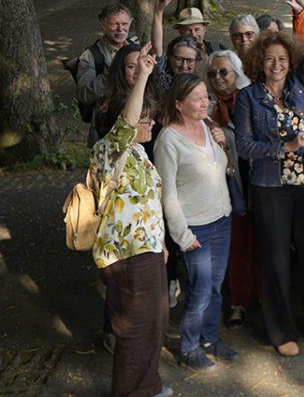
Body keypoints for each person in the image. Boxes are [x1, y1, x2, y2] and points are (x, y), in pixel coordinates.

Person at [233, 24, 304, 357]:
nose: (276, 65)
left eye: (283, 58)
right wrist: (283, 147)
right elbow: (243, 145)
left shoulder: (301, 86)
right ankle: (281, 331)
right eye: (270, 58)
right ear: (260, 61)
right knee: (275, 261)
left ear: (291, 61)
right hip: (270, 187)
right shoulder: (247, 97)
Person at [90, 43, 171, 396]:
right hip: (126, 256)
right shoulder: (111, 149)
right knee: (136, 328)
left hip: (148, 251)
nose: (150, 123)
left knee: (155, 323)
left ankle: (148, 386)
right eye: (144, 119)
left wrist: (162, 243)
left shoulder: (138, 151)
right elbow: (126, 122)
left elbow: (149, 202)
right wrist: (143, 77)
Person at [154, 73, 238, 372]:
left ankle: (208, 338)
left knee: (215, 287)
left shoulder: (207, 125)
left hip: (221, 218)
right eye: (199, 99)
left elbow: (220, 169)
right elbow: (167, 193)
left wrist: (222, 142)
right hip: (195, 227)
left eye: (207, 97)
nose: (207, 103)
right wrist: (182, 235)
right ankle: (188, 347)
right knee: (199, 290)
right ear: (178, 104)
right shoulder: (168, 141)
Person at [204, 51, 258, 328]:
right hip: (230, 187)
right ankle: (238, 302)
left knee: (264, 244)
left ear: (237, 73)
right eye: (213, 74)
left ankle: (263, 295)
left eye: (223, 72)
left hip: (260, 182)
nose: (218, 78)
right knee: (238, 247)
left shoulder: (253, 100)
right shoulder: (207, 109)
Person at [77, 3, 135, 143]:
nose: (121, 29)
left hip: (137, 120)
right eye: (114, 24)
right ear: (103, 25)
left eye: (125, 24)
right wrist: (113, 73)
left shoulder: (135, 48)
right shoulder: (90, 56)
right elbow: (84, 95)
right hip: (106, 127)